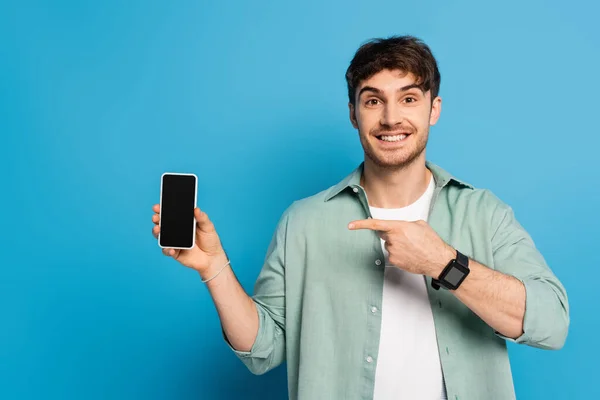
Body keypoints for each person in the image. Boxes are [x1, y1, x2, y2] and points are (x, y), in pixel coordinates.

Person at [151, 35, 569, 400]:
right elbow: (263, 351)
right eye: (373, 100)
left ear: (433, 109)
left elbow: (551, 324)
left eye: (408, 98)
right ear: (353, 113)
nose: (390, 118)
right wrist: (213, 267)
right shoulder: (304, 222)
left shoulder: (485, 213)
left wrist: (443, 262)